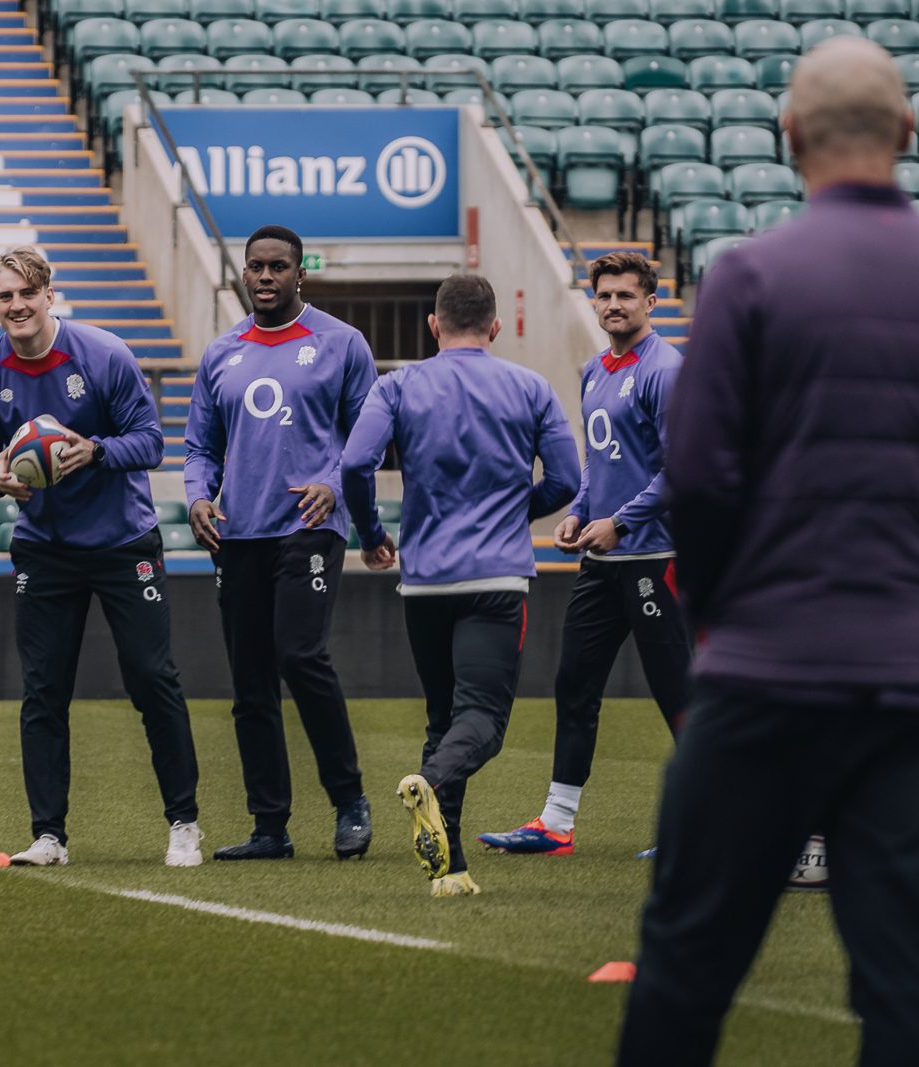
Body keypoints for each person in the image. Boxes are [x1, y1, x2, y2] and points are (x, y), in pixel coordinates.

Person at [617, 38, 919, 1065]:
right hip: (907, 680)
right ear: (907, 132)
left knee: (684, 971)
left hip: (767, 672)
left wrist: (721, 616)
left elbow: (698, 482)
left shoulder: (746, 277)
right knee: (905, 989)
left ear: (786, 137)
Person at [0, 246, 203, 868]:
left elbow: (150, 443)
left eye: (26, 293)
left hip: (123, 543)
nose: (16, 306)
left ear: (49, 295)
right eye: (4, 296)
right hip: (43, 551)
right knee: (44, 691)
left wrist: (92, 451)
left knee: (152, 679)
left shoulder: (105, 355)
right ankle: (49, 836)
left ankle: (183, 823)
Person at [340, 273, 579, 897]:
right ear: (495, 328)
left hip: (424, 579)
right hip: (497, 577)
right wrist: (510, 512)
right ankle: (433, 782)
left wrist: (370, 534)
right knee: (482, 722)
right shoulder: (529, 386)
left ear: (433, 325)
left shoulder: (397, 385)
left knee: (443, 715)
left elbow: (353, 464)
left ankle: (448, 868)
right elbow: (567, 479)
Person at [478, 251, 689, 857]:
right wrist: (576, 512)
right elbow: (601, 461)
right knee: (574, 685)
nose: (614, 305)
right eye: (605, 296)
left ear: (651, 302)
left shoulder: (666, 371)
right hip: (604, 563)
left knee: (679, 696)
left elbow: (683, 468)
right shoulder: (595, 369)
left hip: (656, 559)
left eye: (627, 295)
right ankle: (556, 824)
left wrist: (619, 524)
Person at [184, 224, 378, 861]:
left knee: (301, 655)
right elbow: (200, 448)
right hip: (239, 536)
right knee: (250, 683)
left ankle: (349, 801)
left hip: (309, 529)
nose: (265, 277)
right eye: (256, 267)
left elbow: (368, 436)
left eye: (278, 267)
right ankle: (270, 826)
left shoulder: (341, 343)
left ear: (301, 275)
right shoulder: (222, 353)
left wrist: (332, 482)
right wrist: (197, 496)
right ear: (244, 274)